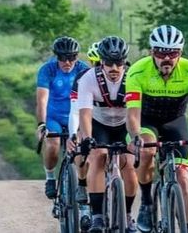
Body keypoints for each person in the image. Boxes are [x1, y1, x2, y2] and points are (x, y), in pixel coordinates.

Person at [126, 25, 188, 233]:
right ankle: (147, 202)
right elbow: (132, 114)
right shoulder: (137, 71)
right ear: (151, 52)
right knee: (147, 150)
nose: (167, 58)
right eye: (160, 53)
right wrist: (136, 135)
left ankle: (187, 228)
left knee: (183, 178)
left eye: (172, 53)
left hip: (175, 120)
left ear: (180, 53)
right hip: (147, 120)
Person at [75, 36, 138, 233]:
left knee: (128, 163)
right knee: (98, 156)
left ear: (124, 63)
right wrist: (86, 138)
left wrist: (136, 138)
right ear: (101, 62)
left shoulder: (133, 78)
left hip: (123, 125)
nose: (114, 68)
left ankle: (127, 216)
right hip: (99, 124)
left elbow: (136, 113)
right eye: (109, 63)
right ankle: (97, 217)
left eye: (118, 63)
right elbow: (84, 113)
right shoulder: (88, 78)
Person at [36, 36, 88, 199]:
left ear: (77, 57)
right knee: (53, 145)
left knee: (80, 149)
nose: (67, 62)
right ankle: (50, 177)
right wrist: (42, 124)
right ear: (56, 56)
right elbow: (42, 100)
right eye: (62, 58)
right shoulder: (48, 70)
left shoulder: (83, 69)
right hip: (54, 117)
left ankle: (81, 184)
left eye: (71, 58)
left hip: (77, 116)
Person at [68, 41, 101, 205]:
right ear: (90, 62)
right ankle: (82, 183)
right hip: (86, 119)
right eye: (97, 63)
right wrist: (73, 133)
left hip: (110, 122)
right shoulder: (82, 78)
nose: (101, 67)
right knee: (81, 149)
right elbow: (75, 111)